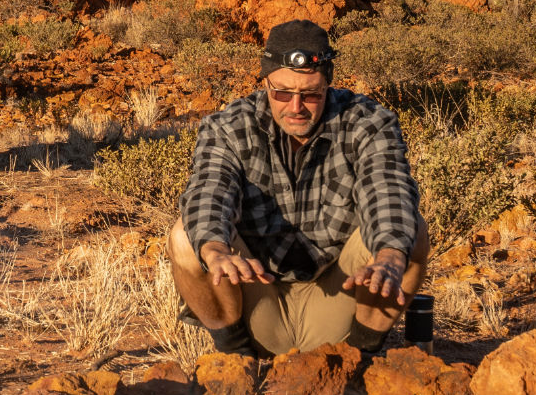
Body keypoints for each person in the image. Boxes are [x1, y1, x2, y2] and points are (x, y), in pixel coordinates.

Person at [168, 19, 428, 357]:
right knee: (187, 237)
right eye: (282, 92)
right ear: (265, 83)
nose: (295, 107)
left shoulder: (370, 122)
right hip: (259, 299)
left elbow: (388, 190)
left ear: (328, 85)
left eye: (310, 94)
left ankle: (358, 359)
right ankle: (239, 359)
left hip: (336, 296)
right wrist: (215, 251)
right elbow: (209, 192)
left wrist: (391, 255)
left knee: (409, 233)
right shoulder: (227, 127)